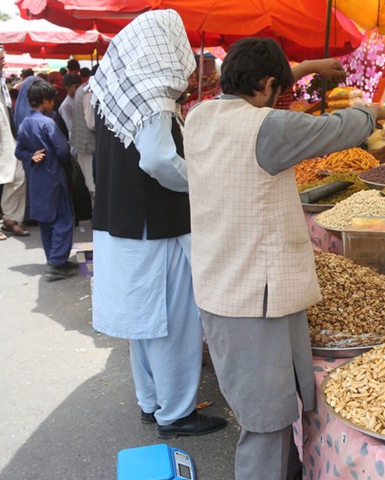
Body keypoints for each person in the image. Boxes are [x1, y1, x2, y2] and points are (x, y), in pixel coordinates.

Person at [183, 37, 385, 480]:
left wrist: (305, 67)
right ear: (265, 85)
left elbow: (260, 89)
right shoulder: (266, 128)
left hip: (225, 285)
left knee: (278, 405)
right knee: (265, 421)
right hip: (252, 298)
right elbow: (333, 131)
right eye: (277, 89)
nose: (279, 98)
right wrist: (373, 113)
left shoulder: (200, 115)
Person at [90, 10, 227, 439]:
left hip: (126, 225)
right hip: (156, 227)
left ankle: (152, 402)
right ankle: (176, 412)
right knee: (172, 324)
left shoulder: (120, 92)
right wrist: (205, 184)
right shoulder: (150, 97)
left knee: (143, 325)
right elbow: (158, 160)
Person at [14, 81, 76, 279]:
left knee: (46, 223)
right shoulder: (47, 123)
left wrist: (31, 156)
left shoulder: (25, 123)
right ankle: (57, 263)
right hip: (54, 177)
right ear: (45, 101)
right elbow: (63, 150)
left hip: (37, 178)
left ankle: (54, 259)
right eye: (52, 100)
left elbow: (19, 151)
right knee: (63, 220)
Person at [0, 46, 29, 239]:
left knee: (17, 175)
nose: (3, 61)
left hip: (6, 131)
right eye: (0, 58)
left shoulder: (2, 80)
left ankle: (10, 218)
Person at [70, 68, 96, 201]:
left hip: (82, 142)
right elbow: (91, 123)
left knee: (90, 183)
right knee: (93, 184)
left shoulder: (82, 88)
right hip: (89, 144)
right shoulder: (90, 92)